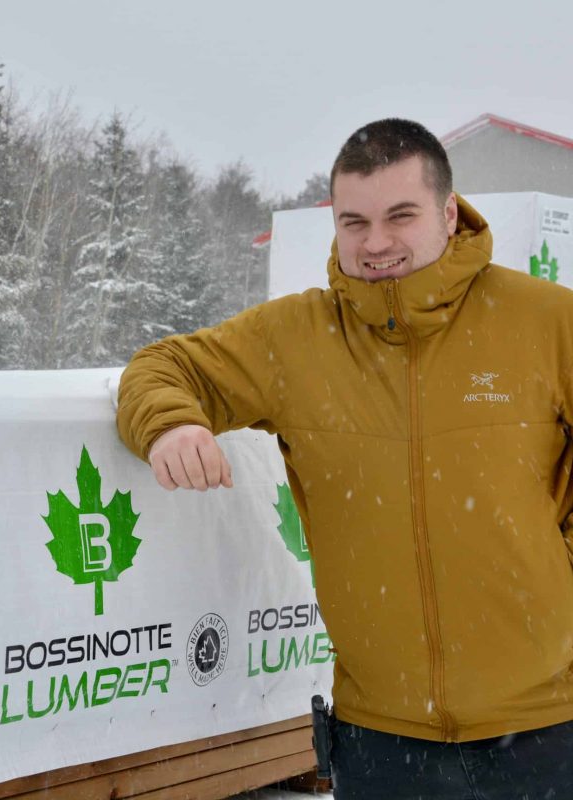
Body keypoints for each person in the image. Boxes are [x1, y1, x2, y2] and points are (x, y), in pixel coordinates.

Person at [116, 119, 573, 798]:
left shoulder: (545, 320)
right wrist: (172, 425)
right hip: (382, 742)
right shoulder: (297, 337)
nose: (376, 242)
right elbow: (163, 367)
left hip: (549, 730)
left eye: (401, 215)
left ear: (449, 214)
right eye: (354, 221)